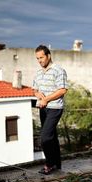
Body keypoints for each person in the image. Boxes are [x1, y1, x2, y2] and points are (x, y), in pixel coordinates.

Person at [33, 45, 67, 175]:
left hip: (55, 108)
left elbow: (62, 90)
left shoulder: (59, 70)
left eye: (41, 57)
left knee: (45, 138)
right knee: (52, 138)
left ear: (48, 56)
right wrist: (39, 96)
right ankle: (57, 164)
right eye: (37, 58)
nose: (40, 60)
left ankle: (49, 164)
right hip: (43, 108)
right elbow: (35, 90)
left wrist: (46, 99)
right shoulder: (38, 73)